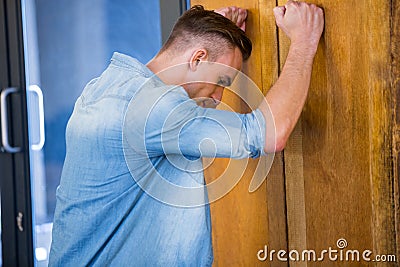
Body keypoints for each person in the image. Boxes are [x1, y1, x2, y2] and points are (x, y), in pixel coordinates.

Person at [49, 1, 324, 266]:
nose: (218, 97)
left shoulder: (109, 86)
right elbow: (267, 134)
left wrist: (214, 35)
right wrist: (304, 41)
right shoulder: (154, 109)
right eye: (221, 81)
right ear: (198, 58)